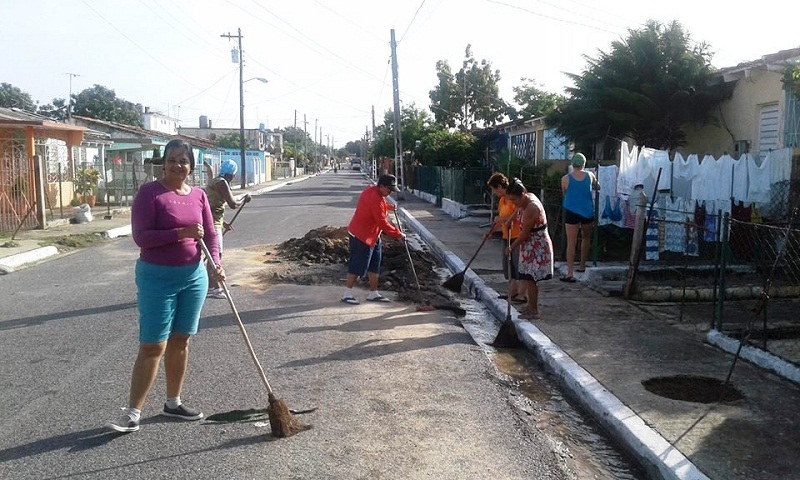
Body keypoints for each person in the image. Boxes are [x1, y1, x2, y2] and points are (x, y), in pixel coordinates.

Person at [106, 139, 223, 433]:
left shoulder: (198, 195)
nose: (177, 165)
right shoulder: (150, 193)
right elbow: (142, 237)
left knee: (181, 340)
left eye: (184, 161)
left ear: (191, 166)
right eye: (172, 159)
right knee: (152, 345)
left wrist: (215, 264)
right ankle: (132, 413)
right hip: (156, 277)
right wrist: (180, 233)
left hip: (193, 277)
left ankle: (173, 403)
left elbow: (210, 235)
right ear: (163, 163)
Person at [341, 174, 405, 304]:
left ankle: (373, 293)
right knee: (357, 265)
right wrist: (398, 234)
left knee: (374, 265)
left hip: (373, 235)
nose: (390, 192)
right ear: (381, 186)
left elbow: (378, 207)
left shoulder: (374, 192)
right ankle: (347, 294)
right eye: (389, 189)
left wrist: (388, 207)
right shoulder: (375, 199)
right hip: (361, 236)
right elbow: (383, 223)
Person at [505, 179, 553, 320]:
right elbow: (518, 210)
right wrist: (510, 220)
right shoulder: (524, 201)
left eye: (514, 200)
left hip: (537, 246)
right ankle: (530, 306)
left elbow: (524, 234)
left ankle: (534, 310)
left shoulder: (532, 207)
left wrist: (511, 247)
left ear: (522, 195)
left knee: (531, 279)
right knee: (527, 276)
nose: (514, 203)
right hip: (529, 246)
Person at [204, 159, 250, 299]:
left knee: (211, 254)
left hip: (210, 221)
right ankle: (213, 288)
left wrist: (224, 223)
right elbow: (232, 204)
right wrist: (244, 199)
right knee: (216, 255)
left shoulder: (214, 181)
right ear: (232, 174)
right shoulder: (222, 183)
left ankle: (209, 286)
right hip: (213, 224)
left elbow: (212, 204)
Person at [560, 152, 599, 282]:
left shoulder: (565, 179)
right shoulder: (590, 175)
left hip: (571, 211)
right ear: (584, 164)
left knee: (571, 243)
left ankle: (570, 273)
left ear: (572, 164)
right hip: (587, 211)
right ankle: (582, 265)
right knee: (586, 238)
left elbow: (564, 194)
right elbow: (597, 186)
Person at [486, 173, 524, 303]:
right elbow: (500, 219)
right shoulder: (502, 200)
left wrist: (503, 220)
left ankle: (522, 294)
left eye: (494, 189)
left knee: (517, 265)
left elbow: (518, 214)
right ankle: (512, 292)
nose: (493, 193)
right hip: (506, 236)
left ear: (499, 186)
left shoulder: (513, 199)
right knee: (509, 266)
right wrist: (491, 232)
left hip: (517, 236)